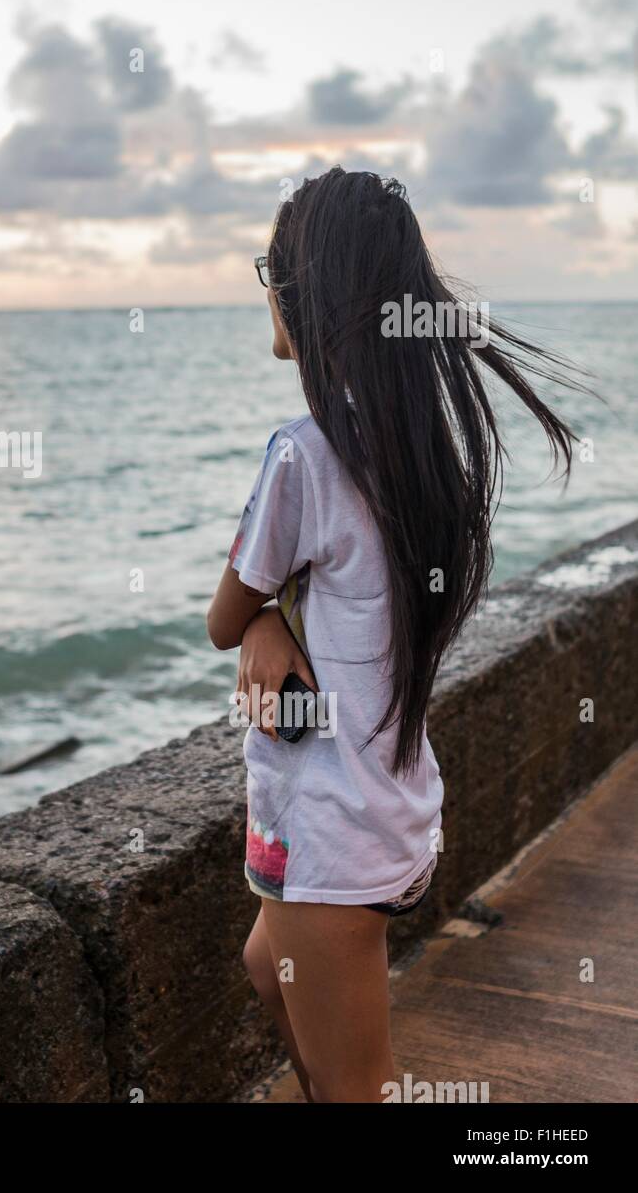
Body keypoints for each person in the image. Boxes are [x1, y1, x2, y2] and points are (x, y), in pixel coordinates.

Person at [207, 167, 578, 1102]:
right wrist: (270, 627)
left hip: (329, 833)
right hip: (387, 812)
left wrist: (252, 621)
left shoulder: (305, 453)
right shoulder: (419, 451)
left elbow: (219, 616)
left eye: (271, 272)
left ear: (303, 295)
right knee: (267, 970)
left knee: (357, 1092)